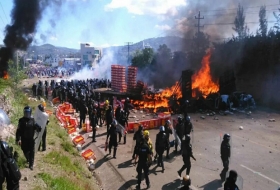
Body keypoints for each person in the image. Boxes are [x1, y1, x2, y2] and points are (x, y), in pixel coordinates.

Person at [16, 106, 41, 170]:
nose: (27, 114)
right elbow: (18, 131)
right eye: (25, 113)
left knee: (32, 152)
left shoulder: (32, 120)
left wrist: (38, 128)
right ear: (24, 113)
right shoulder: (21, 120)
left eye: (28, 113)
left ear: (30, 113)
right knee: (25, 150)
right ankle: (28, 159)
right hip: (23, 139)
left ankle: (31, 165)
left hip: (30, 139)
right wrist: (18, 139)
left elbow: (36, 126)